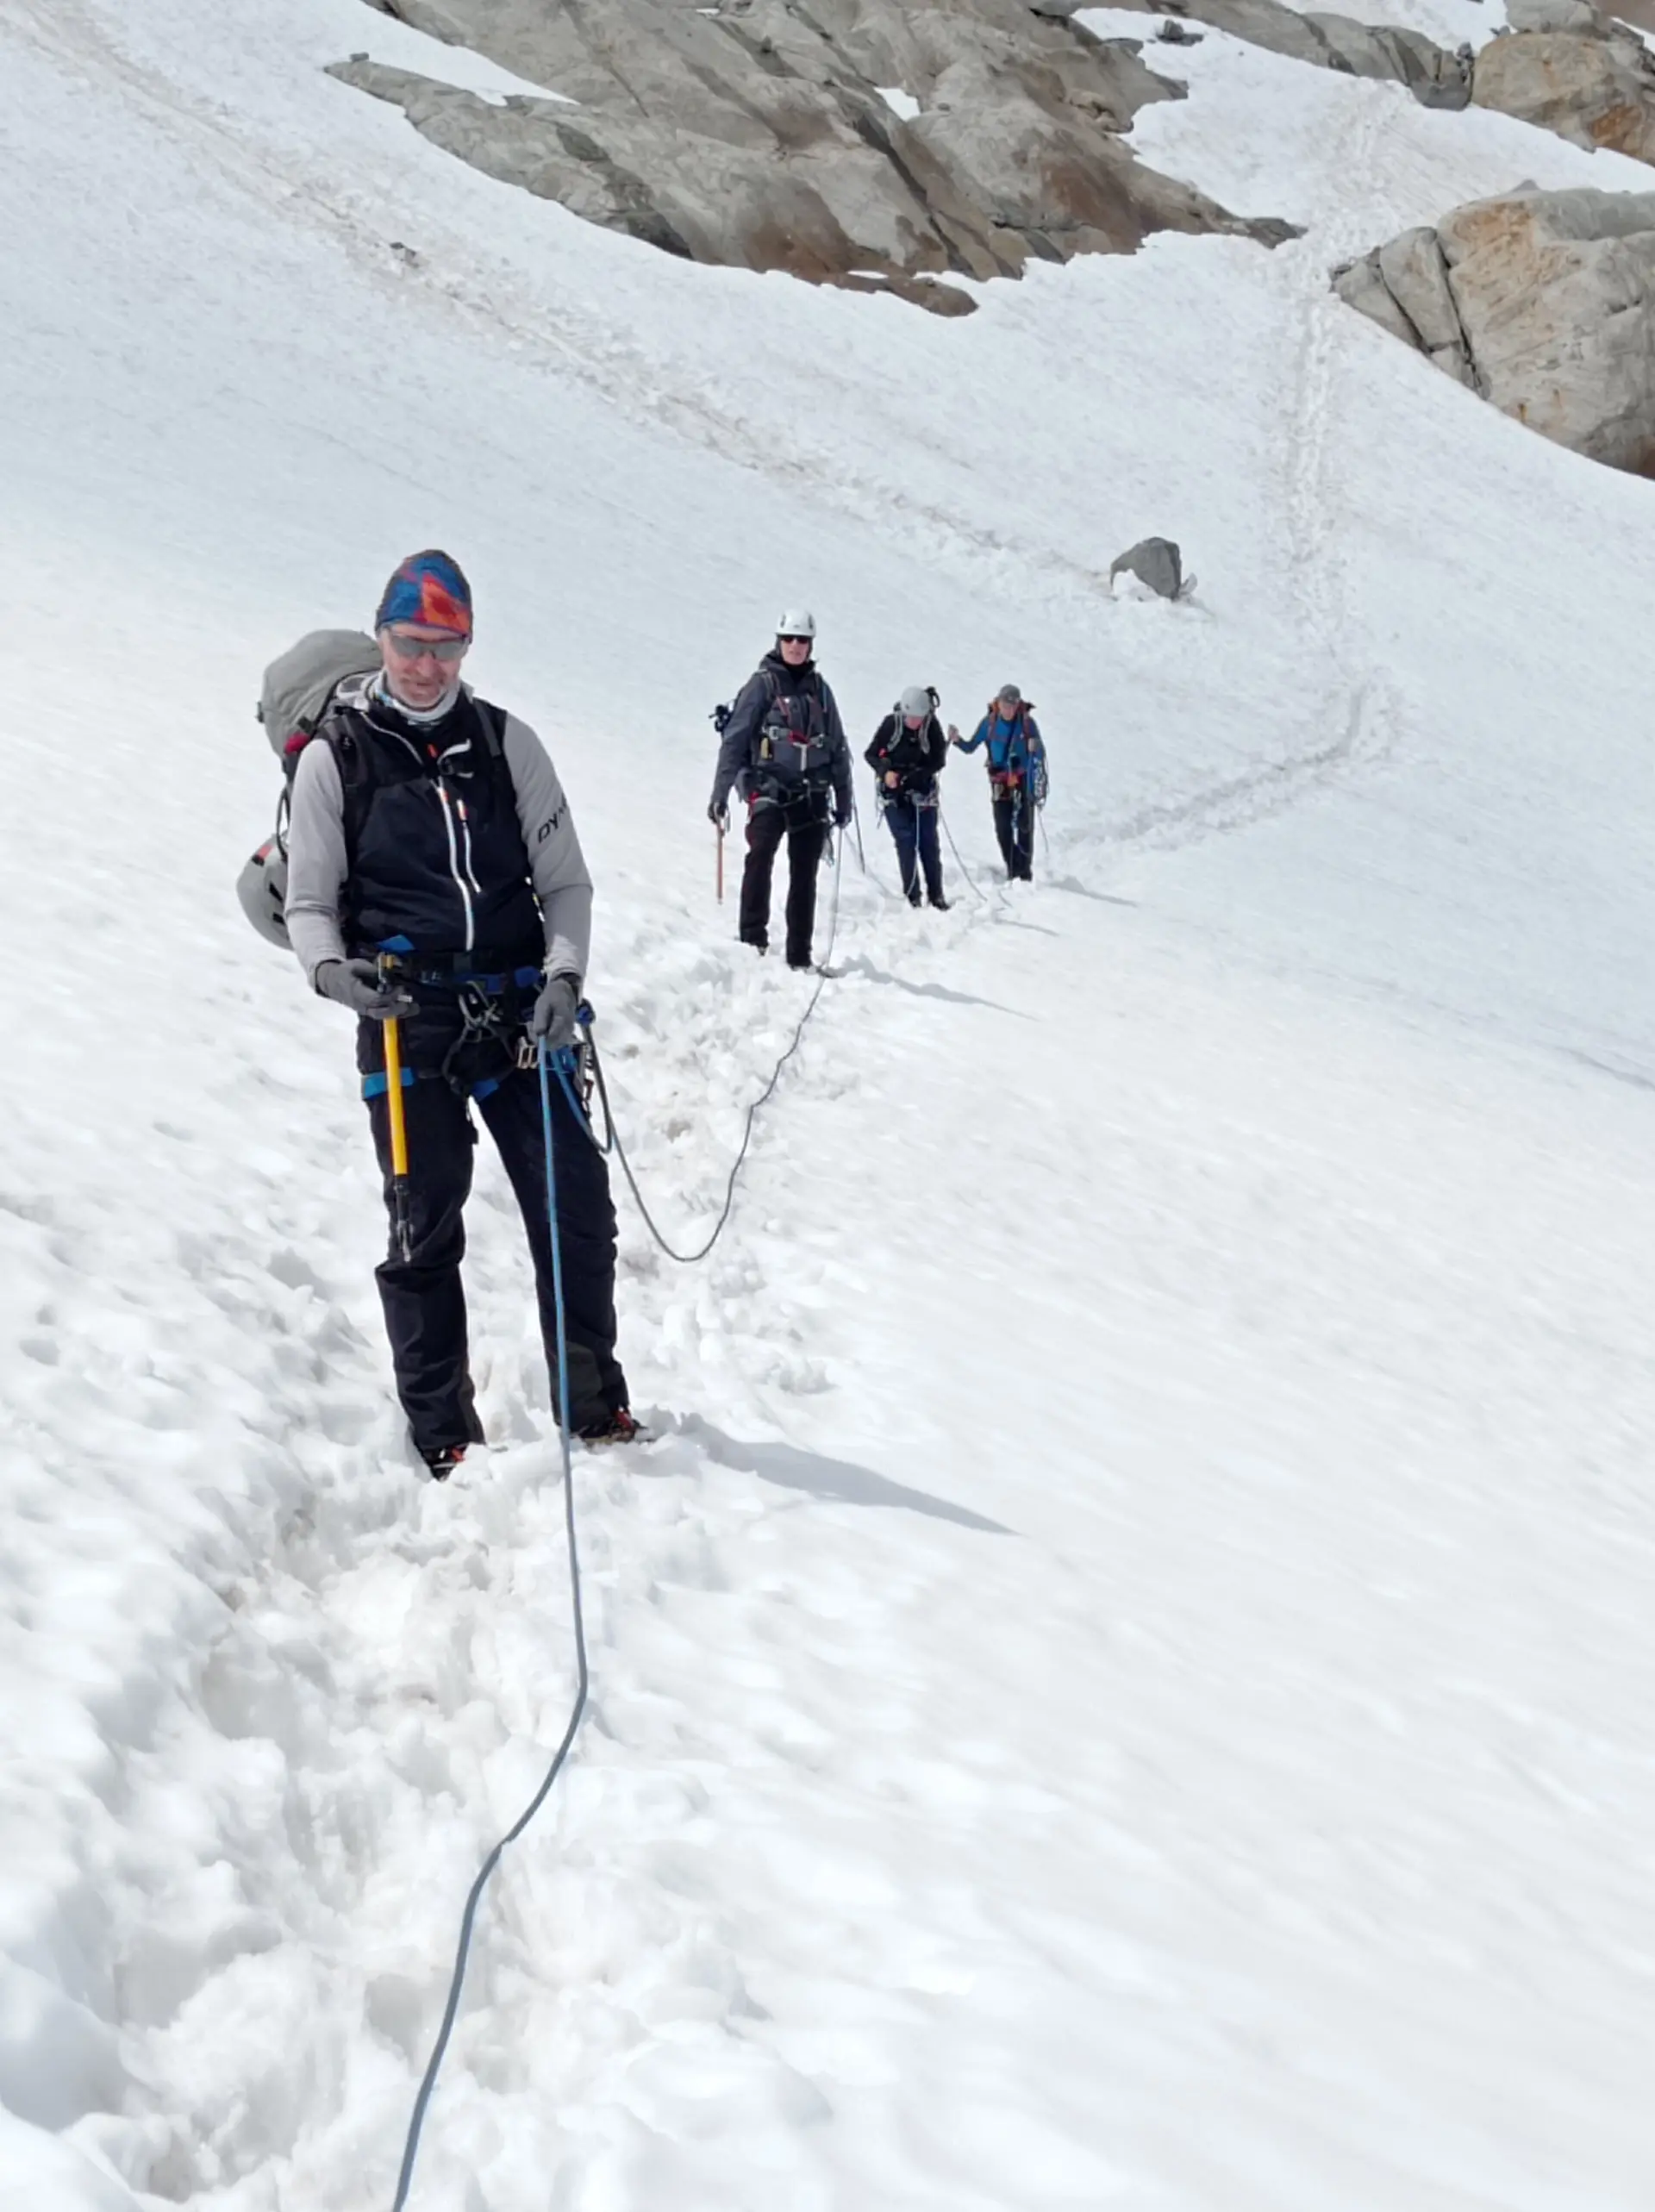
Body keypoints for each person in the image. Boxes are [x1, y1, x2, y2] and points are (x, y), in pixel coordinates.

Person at [282, 549, 637, 1475]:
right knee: (422, 1221)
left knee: (577, 1206)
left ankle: (593, 1405)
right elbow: (310, 901)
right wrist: (330, 972)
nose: (427, 664)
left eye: (446, 645)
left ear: (468, 644)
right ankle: (444, 1436)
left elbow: (564, 883)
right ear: (381, 637)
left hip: (522, 1012)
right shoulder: (337, 758)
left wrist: (562, 977)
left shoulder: (509, 743)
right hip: (404, 1014)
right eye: (410, 643)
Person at [708, 609, 852, 970]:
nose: (795, 646)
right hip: (767, 787)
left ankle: (799, 956)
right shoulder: (762, 685)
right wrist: (720, 793)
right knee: (759, 859)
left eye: (802, 640)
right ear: (778, 640)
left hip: (811, 794)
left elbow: (837, 747)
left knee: (805, 874)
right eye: (789, 639)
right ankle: (752, 940)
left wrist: (844, 798)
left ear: (810, 644)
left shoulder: (820, 690)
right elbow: (735, 739)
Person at [951, 683, 1048, 883]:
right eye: (1005, 705)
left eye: (1013, 706)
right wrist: (956, 739)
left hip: (1023, 779)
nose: (1009, 710)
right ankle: (1014, 868)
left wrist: (1034, 746)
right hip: (1000, 780)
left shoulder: (1027, 724)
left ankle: (1025, 872)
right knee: (1003, 828)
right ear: (998, 703)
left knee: (1025, 825)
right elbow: (971, 747)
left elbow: (1040, 753)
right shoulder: (990, 723)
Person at [865, 685, 951, 909]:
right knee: (905, 841)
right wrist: (886, 773)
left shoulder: (931, 726)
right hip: (894, 795)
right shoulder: (891, 725)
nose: (915, 722)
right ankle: (913, 896)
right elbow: (871, 754)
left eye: (919, 718)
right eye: (911, 717)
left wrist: (916, 776)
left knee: (928, 843)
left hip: (922, 791)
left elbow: (939, 759)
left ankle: (936, 895)